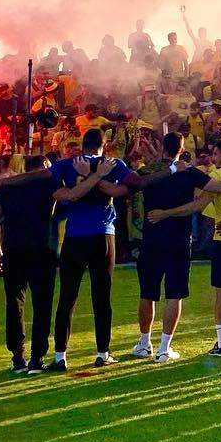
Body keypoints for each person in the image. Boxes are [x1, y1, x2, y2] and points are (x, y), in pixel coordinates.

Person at [135, 132, 221, 360]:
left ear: (161, 147)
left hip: (151, 238)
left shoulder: (149, 170)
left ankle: (144, 343)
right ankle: (164, 348)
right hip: (179, 239)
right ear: (182, 148)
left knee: (147, 292)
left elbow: (138, 182)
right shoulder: (190, 172)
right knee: (174, 294)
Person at [49, 128, 131, 369]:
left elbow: (63, 195)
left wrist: (87, 179)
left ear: (81, 144)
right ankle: (102, 352)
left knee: (67, 297)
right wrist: (97, 177)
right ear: (104, 145)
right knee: (102, 296)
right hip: (103, 235)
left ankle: (60, 356)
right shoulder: (112, 164)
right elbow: (122, 191)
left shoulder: (64, 166)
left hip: (74, 236)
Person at [0, 155, 57, 373]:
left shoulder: (7, 187)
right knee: (42, 304)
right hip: (41, 249)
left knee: (14, 302)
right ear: (44, 166)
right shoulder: (49, 182)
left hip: (12, 248)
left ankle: (18, 356)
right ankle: (37, 358)